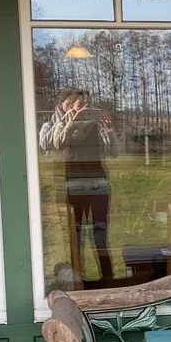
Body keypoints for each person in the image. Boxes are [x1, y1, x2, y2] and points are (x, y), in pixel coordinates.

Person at [59, 89, 114, 285]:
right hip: (75, 186)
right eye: (80, 104)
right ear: (70, 106)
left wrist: (109, 131)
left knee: (100, 235)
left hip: (98, 185)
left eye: (86, 104)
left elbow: (113, 152)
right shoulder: (65, 124)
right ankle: (78, 282)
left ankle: (108, 281)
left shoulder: (95, 126)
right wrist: (74, 121)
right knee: (77, 237)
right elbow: (59, 143)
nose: (84, 108)